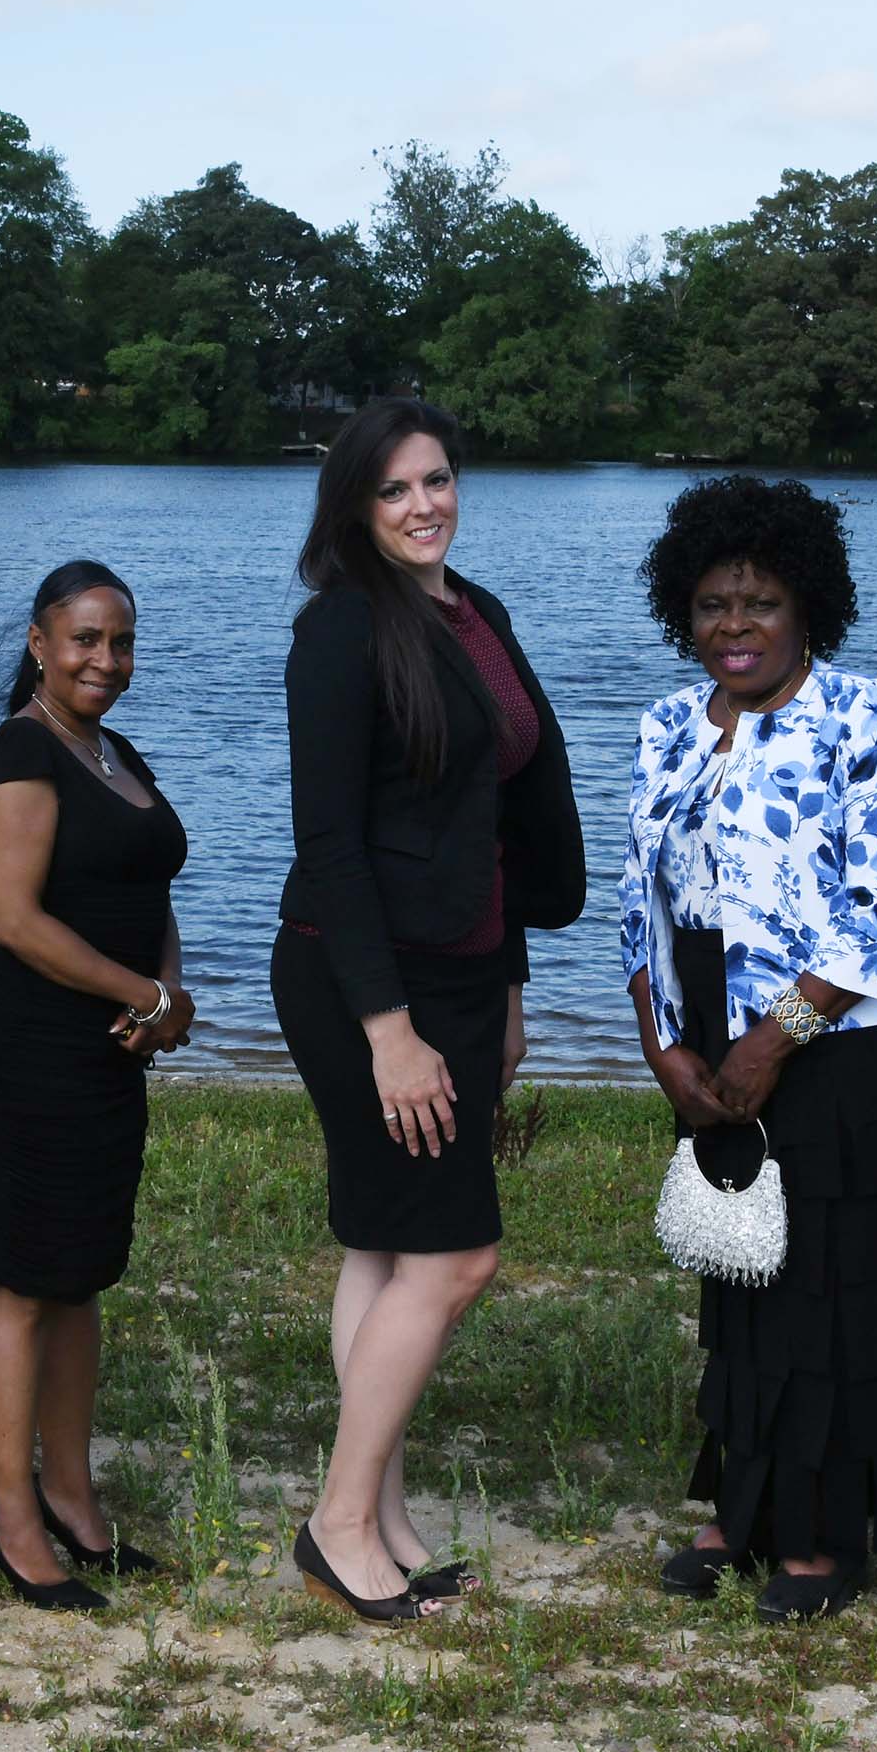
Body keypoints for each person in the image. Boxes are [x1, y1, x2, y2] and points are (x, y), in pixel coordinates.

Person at [629, 475, 877, 1622]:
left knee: (836, 1285)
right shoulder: (668, 725)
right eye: (713, 604)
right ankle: (744, 1506)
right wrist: (663, 1045)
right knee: (743, 1277)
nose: (734, 626)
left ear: (807, 608)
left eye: (759, 603)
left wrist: (778, 1040)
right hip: (715, 1042)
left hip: (846, 1041)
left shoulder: (865, 713)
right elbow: (644, 900)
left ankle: (826, 1538)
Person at [273, 399, 585, 1623]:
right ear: (356, 505)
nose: (422, 506)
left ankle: (383, 1522)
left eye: (438, 480)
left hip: (461, 968)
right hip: (360, 978)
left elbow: (500, 826)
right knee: (455, 1255)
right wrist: (388, 1031)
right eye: (396, 489)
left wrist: (506, 986)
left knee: (386, 1244)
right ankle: (339, 1522)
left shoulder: (476, 614)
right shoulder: (339, 631)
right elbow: (329, 845)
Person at [0, 562, 195, 1612]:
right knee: (21, 1282)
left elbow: (145, 884)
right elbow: (15, 921)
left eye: (121, 643)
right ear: (42, 644)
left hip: (107, 1054)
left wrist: (169, 994)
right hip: (29, 1050)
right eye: (85, 641)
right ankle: (11, 1517)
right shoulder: (20, 752)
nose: (106, 660)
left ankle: (72, 1496)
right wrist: (143, 990)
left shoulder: (109, 749)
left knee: (81, 1277)